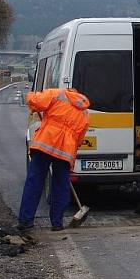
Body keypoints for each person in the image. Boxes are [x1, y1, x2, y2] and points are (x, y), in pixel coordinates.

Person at [17, 87, 90, 231]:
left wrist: (30, 95)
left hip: (46, 144)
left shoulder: (57, 94)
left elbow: (36, 102)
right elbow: (79, 140)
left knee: (35, 182)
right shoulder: (85, 113)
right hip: (65, 152)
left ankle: (26, 221)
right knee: (61, 186)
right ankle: (57, 223)